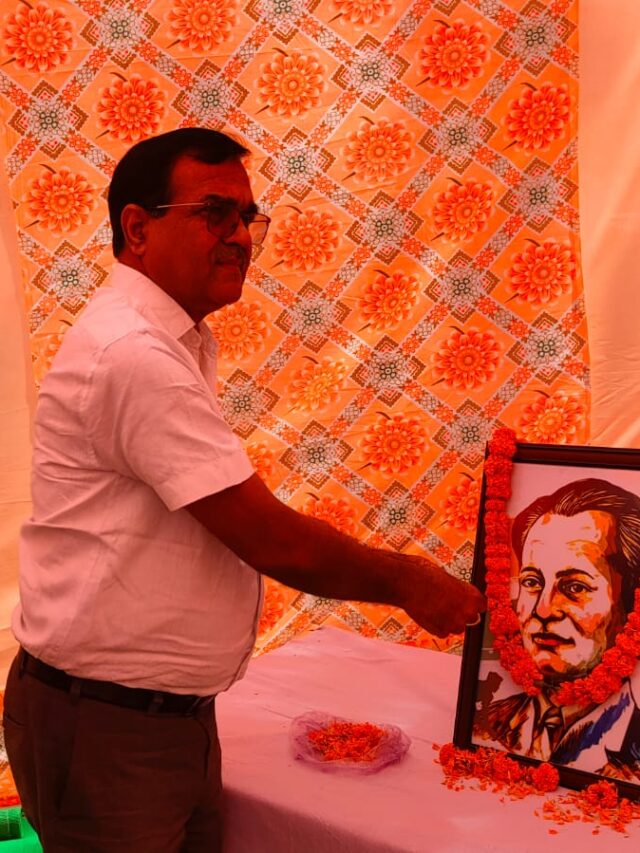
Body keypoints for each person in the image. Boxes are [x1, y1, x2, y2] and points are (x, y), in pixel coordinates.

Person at [3, 127, 485, 852]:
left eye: (248, 217)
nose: (238, 236)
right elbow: (274, 541)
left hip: (159, 718)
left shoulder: (170, 341)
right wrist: (409, 580)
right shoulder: (132, 353)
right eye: (213, 213)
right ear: (137, 228)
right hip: (109, 729)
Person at [473, 477, 640, 777]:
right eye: (532, 582)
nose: (544, 610)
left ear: (630, 604)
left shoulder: (633, 754)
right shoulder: (485, 725)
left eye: (575, 587)